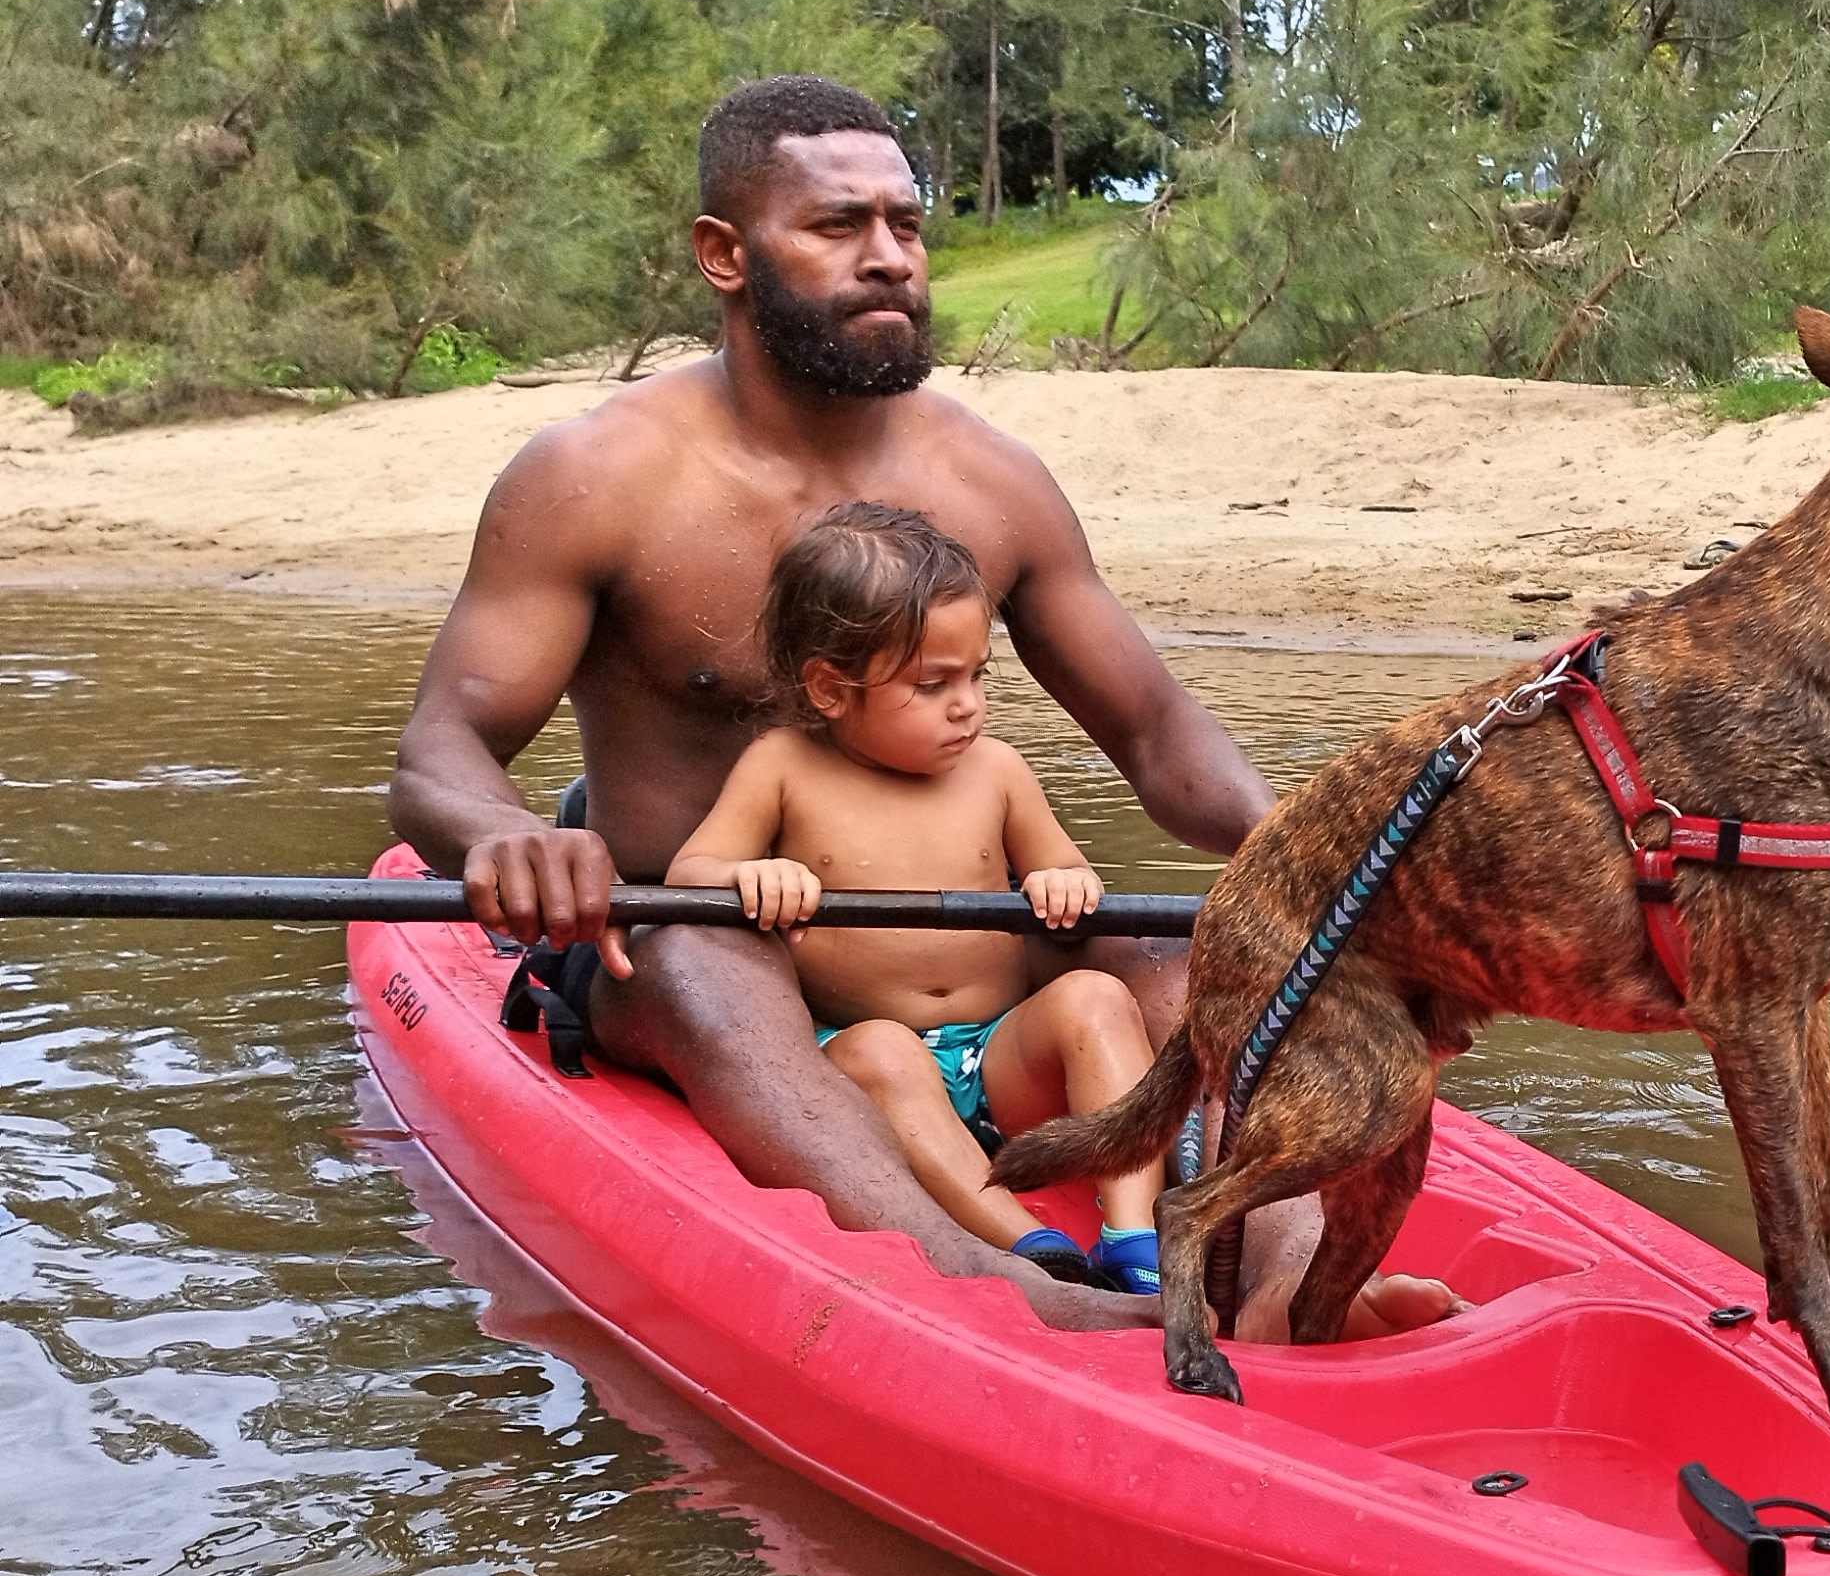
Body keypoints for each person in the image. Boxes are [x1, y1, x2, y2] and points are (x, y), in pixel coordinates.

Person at [390, 71, 1450, 1335]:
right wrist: (507, 833)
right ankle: (1001, 1292)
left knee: (1189, 956)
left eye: (906, 223)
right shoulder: (595, 478)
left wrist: (1319, 858)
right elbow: (440, 748)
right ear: (724, 254)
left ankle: (1285, 1280)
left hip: (959, 949)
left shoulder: (988, 479)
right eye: (839, 227)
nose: (890, 257)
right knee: (705, 959)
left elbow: (1159, 736)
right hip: (696, 943)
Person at [668, 498, 1169, 1293]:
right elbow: (691, 874)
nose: (967, 703)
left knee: (1097, 998)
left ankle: (1132, 1233)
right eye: (933, 684)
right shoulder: (783, 766)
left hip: (1001, 1055)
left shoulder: (998, 770)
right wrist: (750, 875)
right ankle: (1032, 1244)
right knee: (883, 1050)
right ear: (832, 690)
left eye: (976, 676)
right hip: (871, 1066)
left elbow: (1069, 873)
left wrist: (1062, 880)